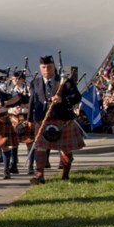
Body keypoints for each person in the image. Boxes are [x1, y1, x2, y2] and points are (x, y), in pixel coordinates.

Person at [29, 56, 85, 184]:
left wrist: (62, 99)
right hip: (43, 120)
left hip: (63, 120)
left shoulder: (66, 81)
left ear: (54, 67)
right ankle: (39, 175)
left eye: (49, 67)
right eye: (43, 67)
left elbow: (76, 97)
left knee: (66, 149)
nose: (46, 69)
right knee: (40, 148)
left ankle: (65, 174)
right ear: (40, 68)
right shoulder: (35, 83)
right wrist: (30, 120)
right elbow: (33, 101)